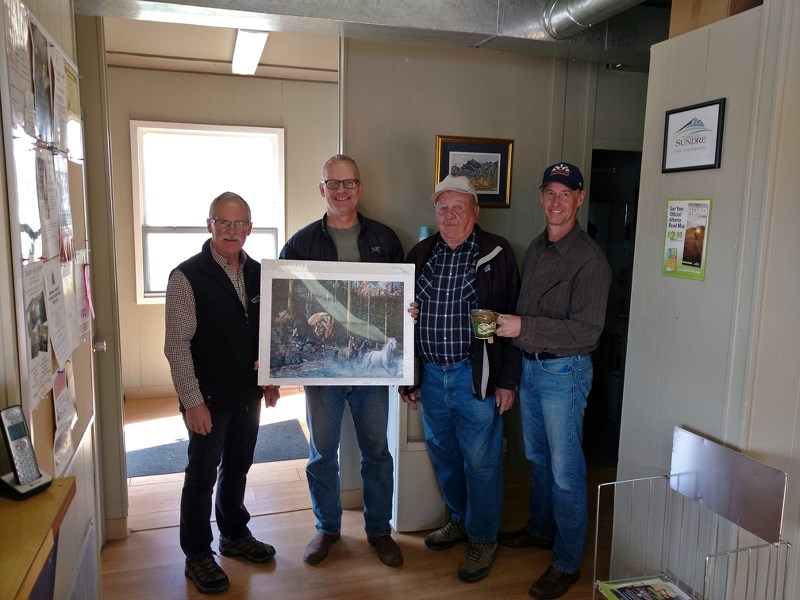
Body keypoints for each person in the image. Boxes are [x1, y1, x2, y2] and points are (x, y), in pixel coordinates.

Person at [279, 154, 405, 567]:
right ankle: (327, 529)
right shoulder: (300, 243)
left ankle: (379, 531)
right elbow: (286, 301)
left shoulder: (385, 240)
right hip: (322, 371)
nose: (341, 190)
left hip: (372, 368)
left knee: (377, 452)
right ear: (322, 189)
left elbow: (402, 301)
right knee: (321, 453)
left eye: (348, 183)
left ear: (360, 188)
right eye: (333, 183)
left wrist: (409, 314)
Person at [495, 162, 611, 600]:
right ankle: (542, 529)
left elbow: (586, 333)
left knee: (566, 472)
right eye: (550, 192)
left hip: (565, 371)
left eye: (566, 193)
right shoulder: (536, 247)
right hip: (530, 369)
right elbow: (523, 312)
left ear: (579, 199)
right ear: (541, 197)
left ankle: (565, 562)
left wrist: (521, 326)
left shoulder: (590, 261)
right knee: (539, 459)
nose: (556, 201)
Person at [399, 175, 521, 583]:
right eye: (442, 208)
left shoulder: (497, 254)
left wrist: (507, 381)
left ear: (475, 212)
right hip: (432, 375)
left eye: (457, 208)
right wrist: (409, 376)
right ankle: (460, 520)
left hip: (476, 378)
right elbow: (400, 319)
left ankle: (483, 538)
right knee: (445, 456)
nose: (449, 216)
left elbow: (511, 319)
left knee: (482, 463)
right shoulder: (421, 253)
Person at [164, 191, 280, 594]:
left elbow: (268, 332)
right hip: (208, 400)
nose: (232, 231)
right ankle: (197, 554)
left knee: (238, 467)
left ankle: (233, 534)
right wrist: (192, 401)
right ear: (209, 224)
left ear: (249, 227)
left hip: (247, 395)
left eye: (240, 223)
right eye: (223, 222)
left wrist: (269, 377)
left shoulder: (260, 273)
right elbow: (176, 345)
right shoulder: (186, 276)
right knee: (201, 476)